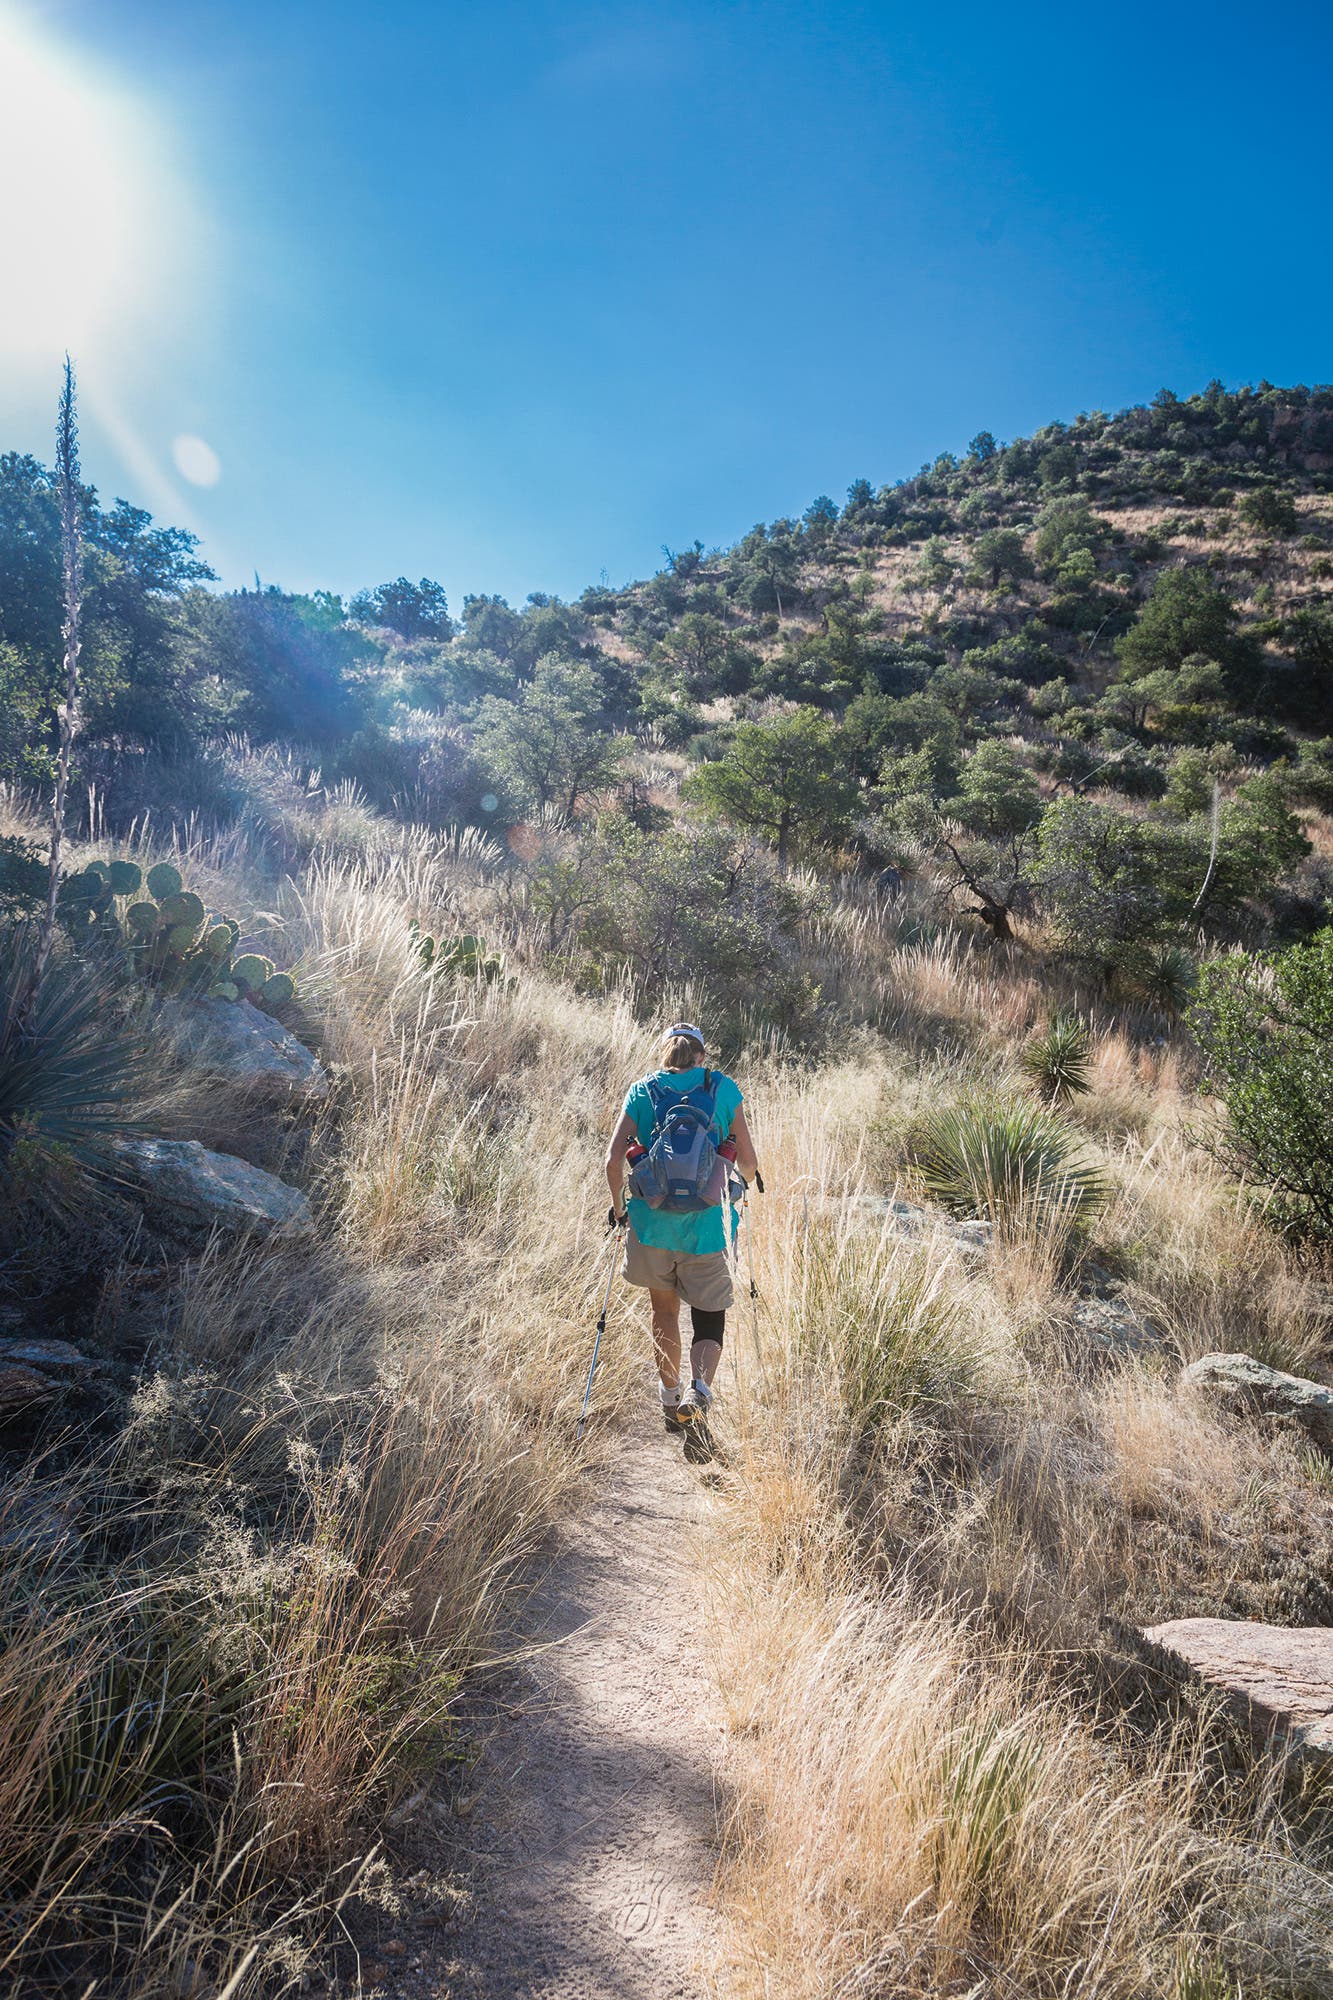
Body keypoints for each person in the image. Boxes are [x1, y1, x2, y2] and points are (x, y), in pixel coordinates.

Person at [605, 1022, 759, 1449]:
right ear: (701, 1057)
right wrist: (739, 1185)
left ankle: (671, 1401)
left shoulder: (642, 1091)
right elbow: (749, 1162)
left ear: (665, 1055)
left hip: (653, 1227)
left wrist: (620, 1210)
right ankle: (700, 1391)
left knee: (664, 1313)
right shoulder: (723, 1089)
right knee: (709, 1317)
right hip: (709, 1228)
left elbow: (612, 1161)